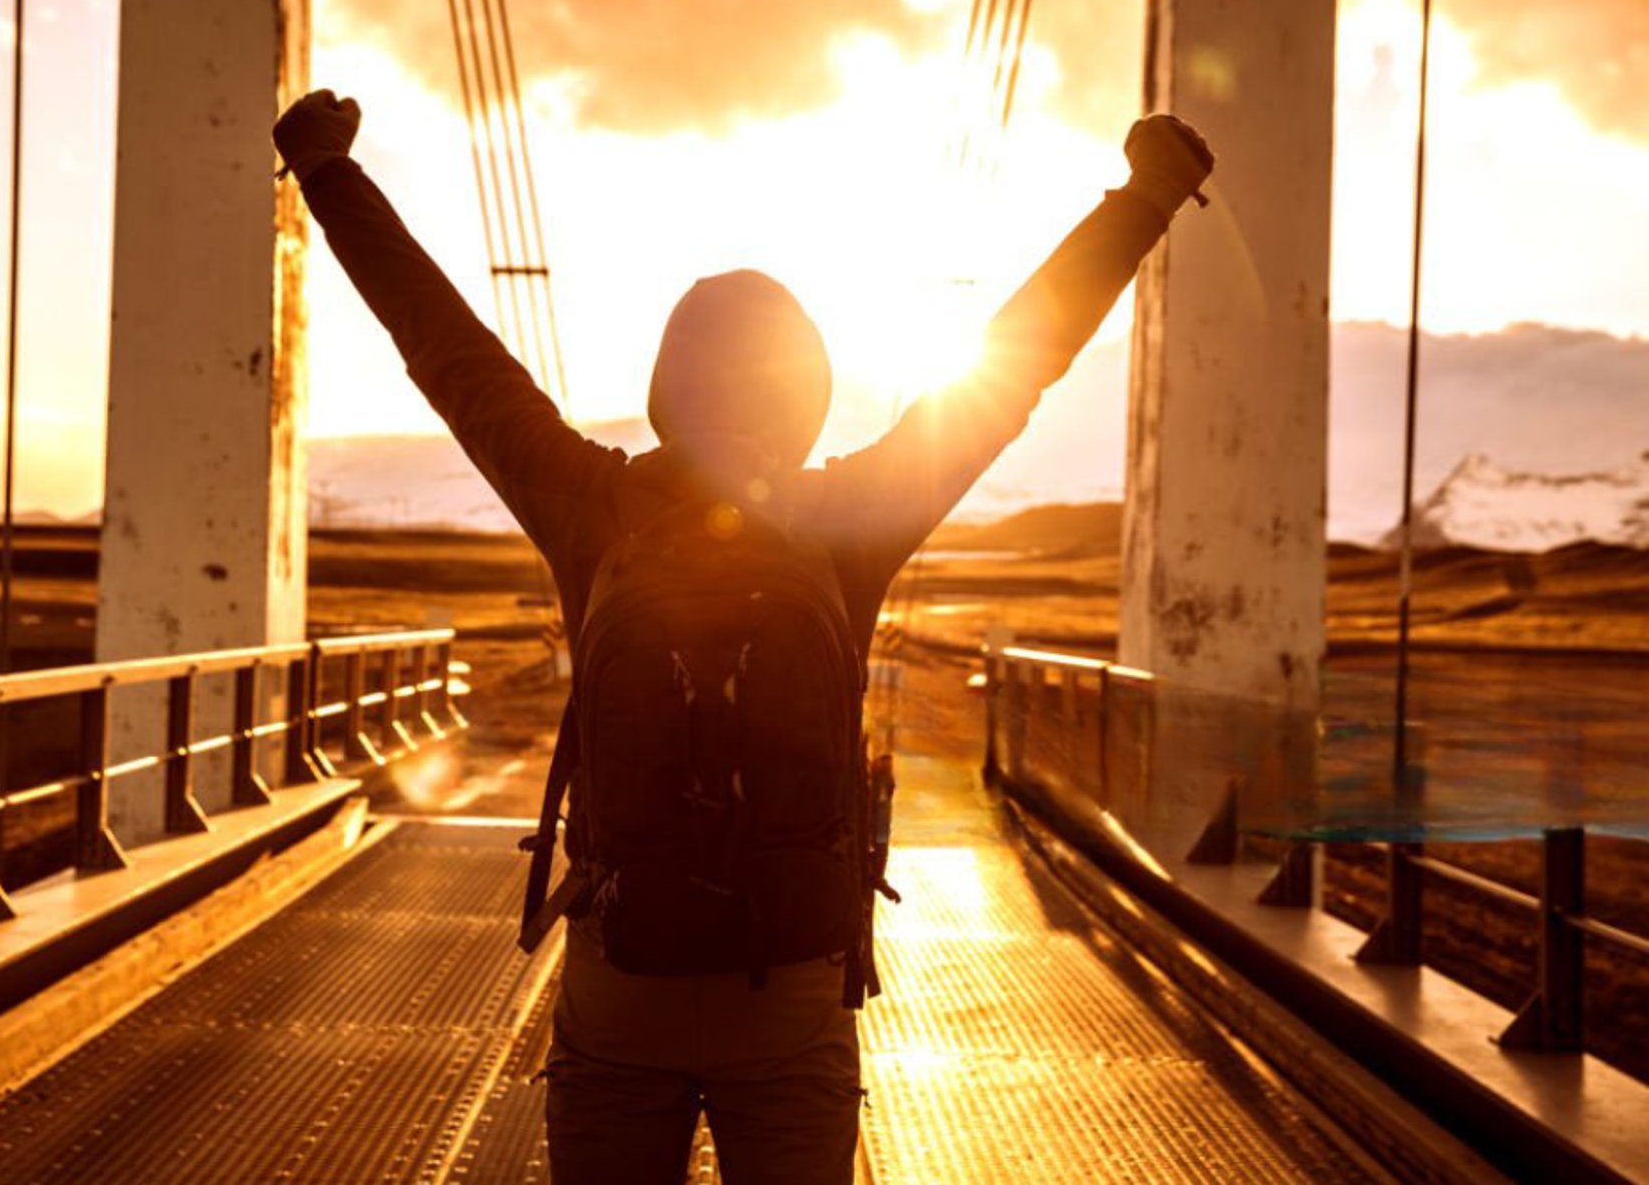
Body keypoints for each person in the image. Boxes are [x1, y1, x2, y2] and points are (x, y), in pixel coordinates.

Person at [274, 91, 1212, 1185]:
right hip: (796, 983)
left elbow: (448, 353)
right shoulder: (849, 516)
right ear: (806, 395)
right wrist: (1143, 198)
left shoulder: (589, 502)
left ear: (668, 390)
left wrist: (331, 174)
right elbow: (1016, 363)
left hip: (623, 977)